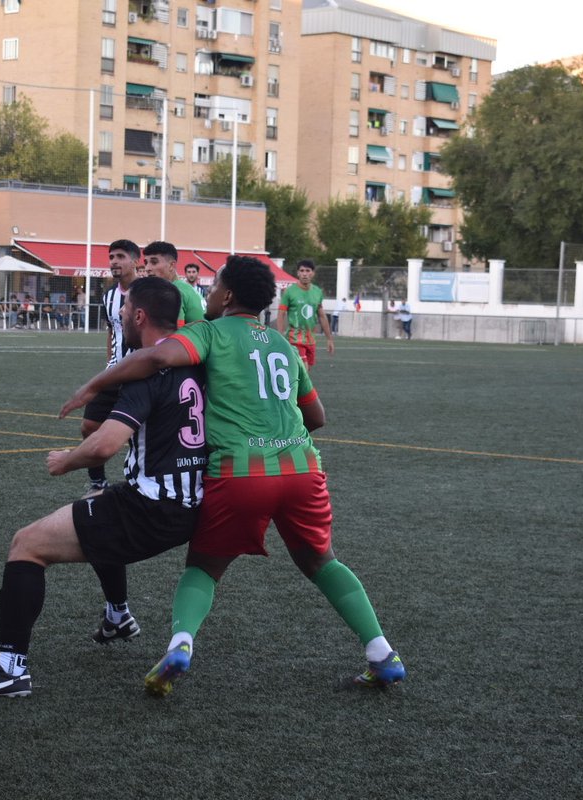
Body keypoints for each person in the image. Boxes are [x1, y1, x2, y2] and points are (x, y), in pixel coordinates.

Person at [61, 256, 405, 697]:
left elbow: (157, 355)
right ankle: (382, 653)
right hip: (302, 469)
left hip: (240, 474)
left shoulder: (209, 332)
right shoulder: (281, 344)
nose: (208, 292)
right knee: (322, 561)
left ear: (227, 295)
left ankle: (181, 645)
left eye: (214, 284)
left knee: (203, 566)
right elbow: (316, 415)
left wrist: (91, 386)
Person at [0, 277, 207, 698]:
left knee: (27, 544)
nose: (121, 316)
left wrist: (65, 460)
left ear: (139, 316)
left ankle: (10, 669)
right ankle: (118, 615)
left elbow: (104, 446)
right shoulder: (199, 361)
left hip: (152, 507)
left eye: (125, 310)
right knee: (98, 505)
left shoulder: (147, 371)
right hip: (193, 504)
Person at [81, 239, 140, 494]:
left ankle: (141, 481)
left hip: (141, 374)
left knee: (141, 435)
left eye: (120, 256)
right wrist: (109, 365)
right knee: (89, 426)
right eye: (111, 256)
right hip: (114, 372)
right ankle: (98, 482)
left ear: (135, 261)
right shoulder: (109, 296)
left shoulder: (148, 292)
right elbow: (111, 332)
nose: (114, 261)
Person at [275, 258, 334, 370]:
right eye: (302, 271)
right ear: (298, 273)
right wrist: (280, 335)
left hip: (311, 339)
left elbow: (322, 316)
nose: (304, 274)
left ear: (313, 273)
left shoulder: (317, 292)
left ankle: (294, 387)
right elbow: (281, 314)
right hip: (294, 339)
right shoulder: (289, 291)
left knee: (305, 372)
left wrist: (329, 339)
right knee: (304, 369)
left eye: (307, 271)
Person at [142, 241, 205, 327]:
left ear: (171, 265)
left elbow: (175, 334)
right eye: (146, 263)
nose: (147, 268)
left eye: (154, 262)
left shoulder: (173, 292)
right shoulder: (182, 287)